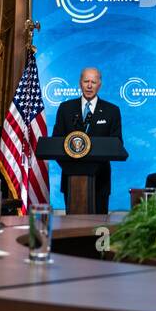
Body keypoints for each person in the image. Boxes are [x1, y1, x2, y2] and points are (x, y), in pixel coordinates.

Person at [51, 66, 123, 213]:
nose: (89, 86)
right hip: (71, 179)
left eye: (93, 82)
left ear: (99, 85)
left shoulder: (112, 111)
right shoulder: (65, 108)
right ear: (80, 83)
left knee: (98, 228)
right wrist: (70, 167)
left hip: (100, 180)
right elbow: (56, 143)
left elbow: (117, 143)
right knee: (73, 229)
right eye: (86, 81)